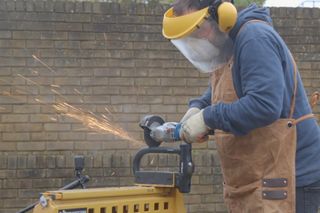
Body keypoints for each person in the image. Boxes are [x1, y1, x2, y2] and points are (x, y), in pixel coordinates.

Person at [162, 0, 320, 212]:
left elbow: (264, 105)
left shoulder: (254, 38)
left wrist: (208, 118)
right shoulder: (229, 46)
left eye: (198, 29)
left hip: (294, 179)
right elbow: (220, 92)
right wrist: (197, 108)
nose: (196, 39)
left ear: (221, 15)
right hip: (262, 178)